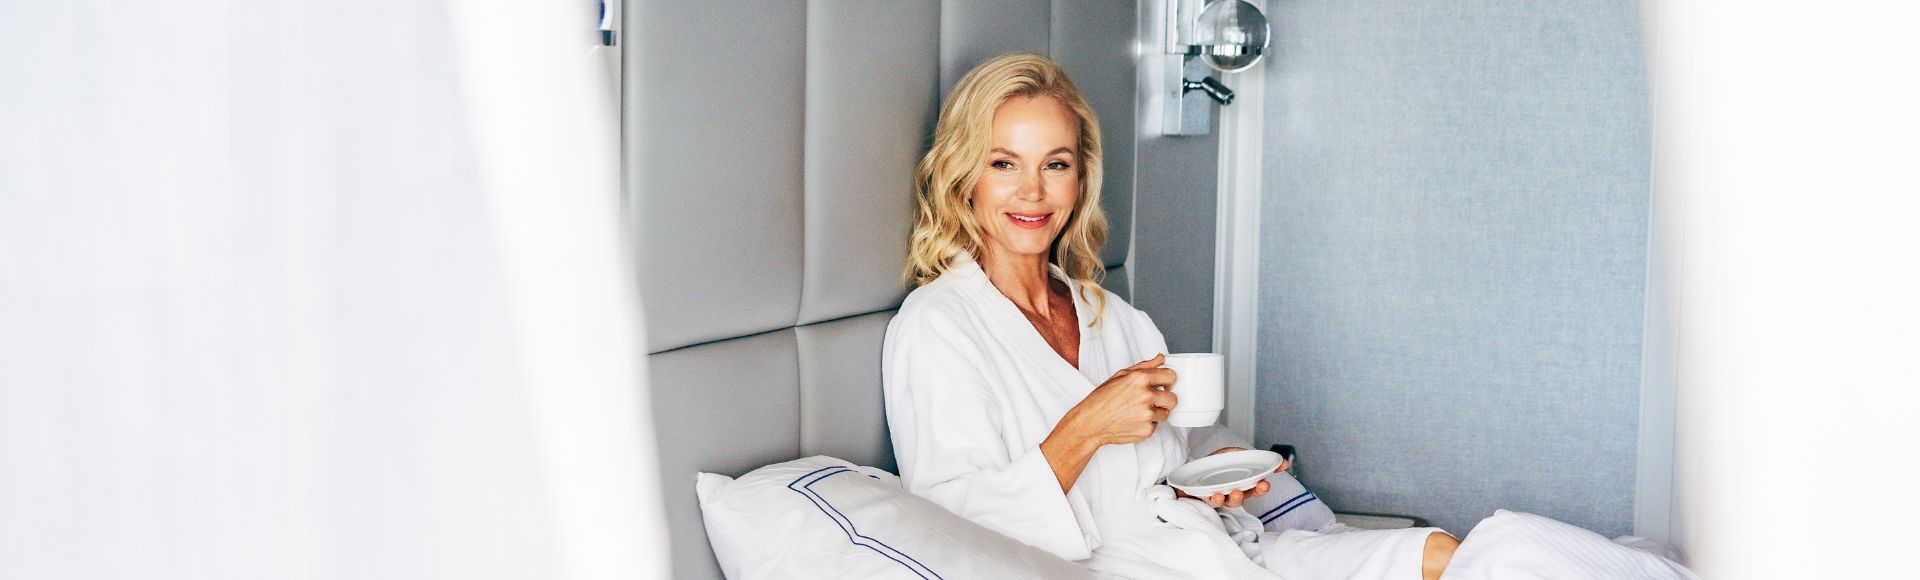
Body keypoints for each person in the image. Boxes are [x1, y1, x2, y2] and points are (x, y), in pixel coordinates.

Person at [882, 52, 1460, 580]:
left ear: (1080, 180)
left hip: (1214, 546)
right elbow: (948, 529)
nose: (1032, 192)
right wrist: (1084, 428)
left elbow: (1162, 470)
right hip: (1110, 568)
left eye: (1055, 165)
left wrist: (1209, 481)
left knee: (1445, 556)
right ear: (964, 177)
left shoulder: (1111, 314)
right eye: (1005, 163)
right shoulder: (938, 326)